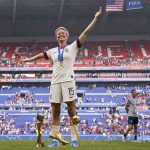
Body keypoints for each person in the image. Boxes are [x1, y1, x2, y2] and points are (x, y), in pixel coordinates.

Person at [22, 7, 102, 147]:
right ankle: (55, 139)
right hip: (55, 83)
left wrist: (95, 19)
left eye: (63, 33)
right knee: (55, 111)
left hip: (68, 82)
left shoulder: (73, 47)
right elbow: (41, 55)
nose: (60, 34)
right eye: (58, 33)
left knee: (72, 111)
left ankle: (74, 138)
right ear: (56, 37)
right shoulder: (52, 51)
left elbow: (86, 32)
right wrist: (29, 60)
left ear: (67, 36)